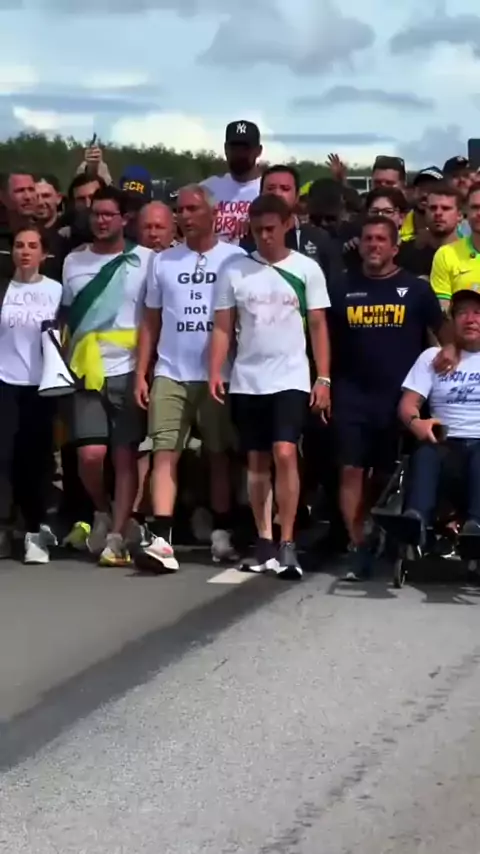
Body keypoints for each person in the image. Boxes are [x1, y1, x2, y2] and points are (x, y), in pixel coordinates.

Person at [209, 193, 331, 579]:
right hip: (248, 379)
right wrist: (216, 370)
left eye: (271, 229)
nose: (265, 236)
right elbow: (223, 326)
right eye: (258, 229)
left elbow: (318, 326)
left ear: (287, 225)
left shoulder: (306, 269)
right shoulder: (234, 269)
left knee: (285, 452)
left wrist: (323, 377)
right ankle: (264, 540)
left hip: (291, 377)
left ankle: (287, 540)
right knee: (257, 462)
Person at [328, 216, 447, 581]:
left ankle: (379, 532)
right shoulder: (341, 287)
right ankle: (358, 545)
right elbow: (323, 340)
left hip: (397, 398)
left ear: (395, 248)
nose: (374, 245)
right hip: (350, 394)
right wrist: (323, 382)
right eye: (368, 239)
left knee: (385, 474)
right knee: (350, 469)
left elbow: (445, 338)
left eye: (381, 239)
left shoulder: (416, 289)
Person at [134, 184, 241, 572]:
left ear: (212, 212)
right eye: (180, 210)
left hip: (218, 374)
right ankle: (162, 539)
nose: (185, 216)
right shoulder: (162, 262)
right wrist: (142, 372)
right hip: (170, 371)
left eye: (193, 209)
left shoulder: (235, 258)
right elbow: (151, 321)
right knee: (164, 452)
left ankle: (222, 532)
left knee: (218, 454)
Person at [62, 185, 152, 566]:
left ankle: (116, 535)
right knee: (90, 455)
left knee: (125, 454)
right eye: (95, 214)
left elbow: (152, 318)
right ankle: (103, 509)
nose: (100, 220)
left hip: (128, 367)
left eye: (107, 214)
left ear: (123, 219)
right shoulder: (73, 261)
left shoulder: (145, 260)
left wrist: (145, 369)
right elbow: (66, 317)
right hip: (86, 368)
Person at [0, 225, 62, 563]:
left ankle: (35, 531)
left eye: (32, 246)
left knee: (34, 461)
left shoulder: (55, 290)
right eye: (19, 245)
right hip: (5, 382)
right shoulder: (4, 289)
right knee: (4, 457)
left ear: (43, 253)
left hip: (41, 385)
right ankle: (5, 527)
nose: (25, 251)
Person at [399, 285, 480, 541]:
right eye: (462, 313)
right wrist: (416, 423)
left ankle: (475, 528)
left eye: (478, 313)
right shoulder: (432, 357)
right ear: (452, 321)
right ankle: (415, 523)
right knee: (426, 454)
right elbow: (407, 405)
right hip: (444, 441)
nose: (470, 319)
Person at [241, 164, 343, 285]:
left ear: (297, 196)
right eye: (270, 188)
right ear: (260, 193)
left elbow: (334, 287)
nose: (277, 193)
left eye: (285, 189)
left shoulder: (319, 238)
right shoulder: (247, 237)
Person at [202, 121, 262, 242]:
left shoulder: (267, 189)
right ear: (225, 149)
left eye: (245, 148)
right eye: (234, 148)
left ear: (258, 151)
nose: (239, 154)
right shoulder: (207, 188)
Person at [431, 182, 480, 312]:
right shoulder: (446, 254)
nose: (479, 213)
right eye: (475, 207)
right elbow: (443, 312)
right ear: (466, 211)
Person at [399, 166, 443, 242]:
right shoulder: (397, 229)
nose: (424, 194)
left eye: (432, 189)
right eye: (421, 188)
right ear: (413, 191)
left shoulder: (458, 234)